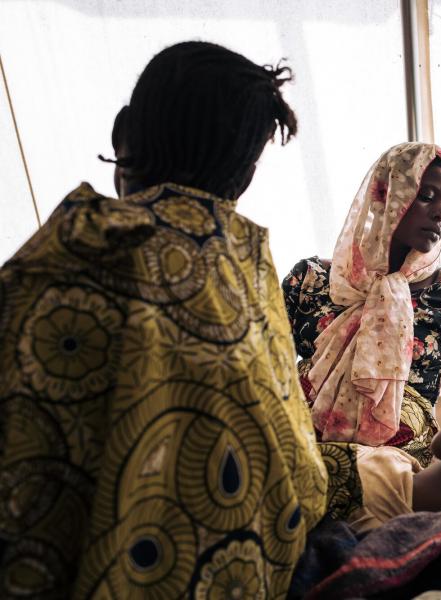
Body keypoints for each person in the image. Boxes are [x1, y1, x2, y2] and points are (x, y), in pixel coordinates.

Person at [0, 41, 327, 598]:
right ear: (245, 175)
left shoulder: (69, 250)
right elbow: (304, 482)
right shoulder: (246, 266)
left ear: (124, 138)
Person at [282, 142, 441, 462]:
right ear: (386, 194)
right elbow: (271, 373)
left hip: (401, 470)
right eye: (427, 197)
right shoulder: (310, 279)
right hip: (300, 451)